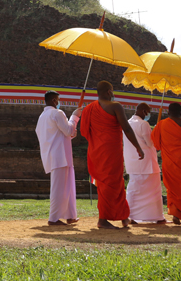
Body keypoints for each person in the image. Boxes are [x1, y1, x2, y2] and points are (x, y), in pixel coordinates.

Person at [80, 81, 144, 229]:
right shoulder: (116, 106)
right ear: (109, 92)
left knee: (112, 183)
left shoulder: (89, 108)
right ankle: (103, 219)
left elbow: (84, 132)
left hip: (96, 151)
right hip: (110, 151)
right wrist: (138, 147)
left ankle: (123, 215)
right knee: (111, 183)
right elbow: (126, 128)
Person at [35, 90, 81, 226]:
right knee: (60, 188)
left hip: (55, 155)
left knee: (68, 187)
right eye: (58, 100)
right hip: (60, 156)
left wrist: (70, 133)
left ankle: (71, 215)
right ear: (54, 100)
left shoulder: (42, 116)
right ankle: (53, 218)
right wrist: (74, 117)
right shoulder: (57, 113)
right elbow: (68, 130)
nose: (59, 102)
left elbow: (61, 134)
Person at [123, 103, 166, 224]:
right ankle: (158, 217)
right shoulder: (143, 124)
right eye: (148, 112)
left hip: (132, 162)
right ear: (143, 111)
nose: (148, 115)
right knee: (154, 191)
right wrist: (155, 133)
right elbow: (150, 144)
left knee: (133, 190)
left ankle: (130, 215)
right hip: (147, 163)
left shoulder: (127, 123)